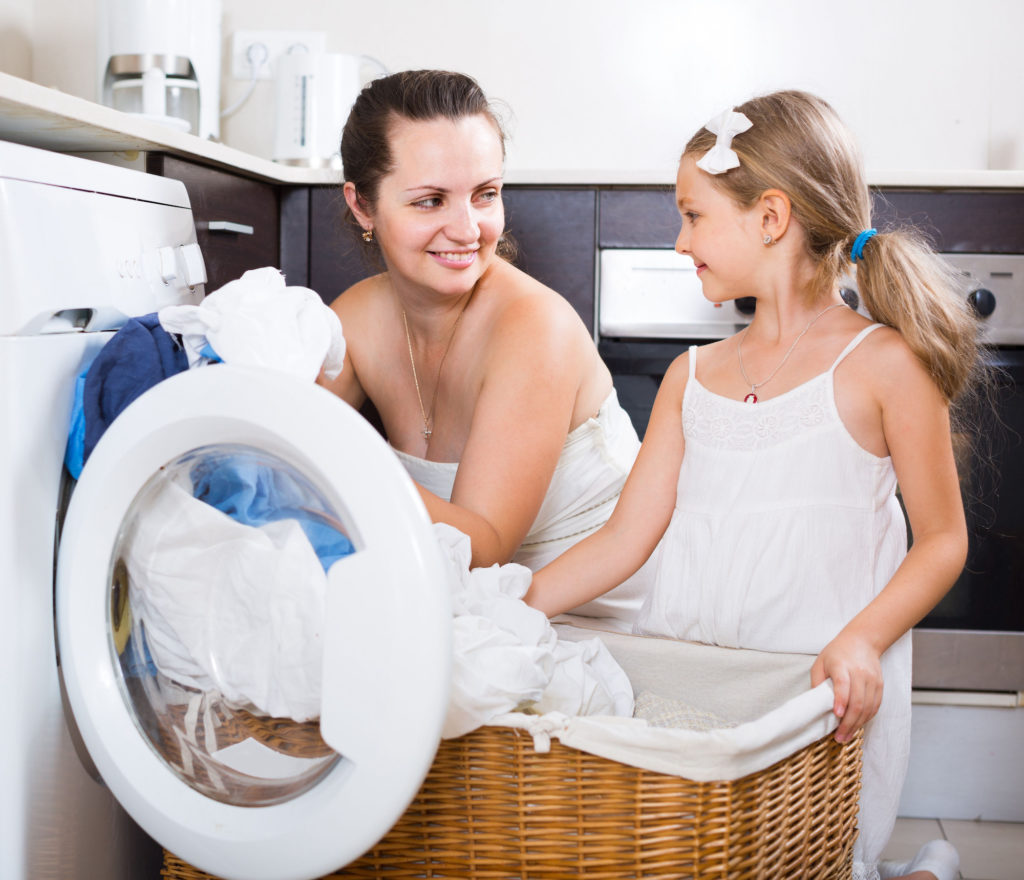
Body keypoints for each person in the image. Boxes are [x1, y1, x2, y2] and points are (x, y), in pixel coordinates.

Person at [524, 90, 978, 880]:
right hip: (695, 700)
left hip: (817, 700)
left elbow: (943, 539)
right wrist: (509, 608)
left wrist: (863, 638)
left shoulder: (883, 367)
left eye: (693, 216)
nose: (677, 241)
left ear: (770, 218)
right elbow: (627, 539)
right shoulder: (690, 375)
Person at [318, 69, 652, 629]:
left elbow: (484, 546)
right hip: (472, 611)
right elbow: (280, 446)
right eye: (430, 201)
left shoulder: (534, 327)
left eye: (485, 194)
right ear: (363, 206)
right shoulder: (356, 319)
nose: (467, 228)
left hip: (605, 619)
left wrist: (338, 461)